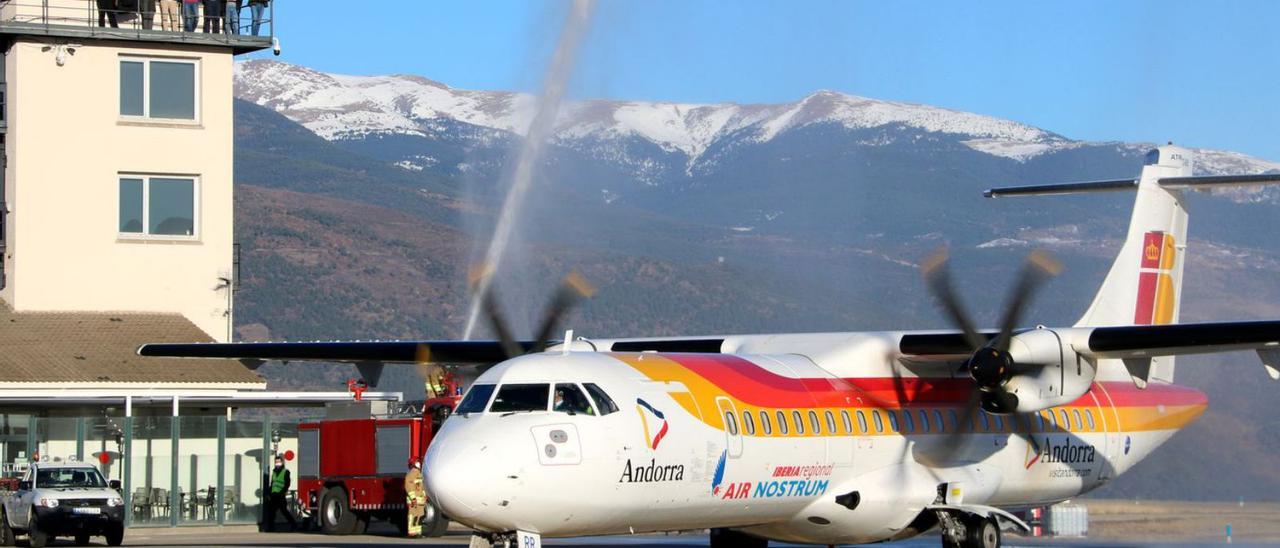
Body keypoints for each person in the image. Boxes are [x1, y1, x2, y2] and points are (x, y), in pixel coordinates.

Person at [262, 455, 297, 532]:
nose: (277, 463)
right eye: (276, 462)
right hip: (274, 495)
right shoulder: (274, 472)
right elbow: (273, 483)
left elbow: (287, 483)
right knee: (271, 512)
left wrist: (282, 492)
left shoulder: (286, 472)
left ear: (282, 462)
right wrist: (269, 492)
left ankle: (294, 525)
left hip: (280, 495)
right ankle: (271, 528)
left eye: (278, 462)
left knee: (284, 511)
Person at [404, 459, 425, 537]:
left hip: (420, 501)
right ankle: (412, 533)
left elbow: (421, 487)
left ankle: (418, 532)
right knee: (413, 516)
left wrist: (424, 495)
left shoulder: (419, 473)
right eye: (417, 462)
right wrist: (413, 498)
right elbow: (408, 486)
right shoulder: (412, 473)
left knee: (419, 516)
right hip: (414, 501)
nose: (419, 464)